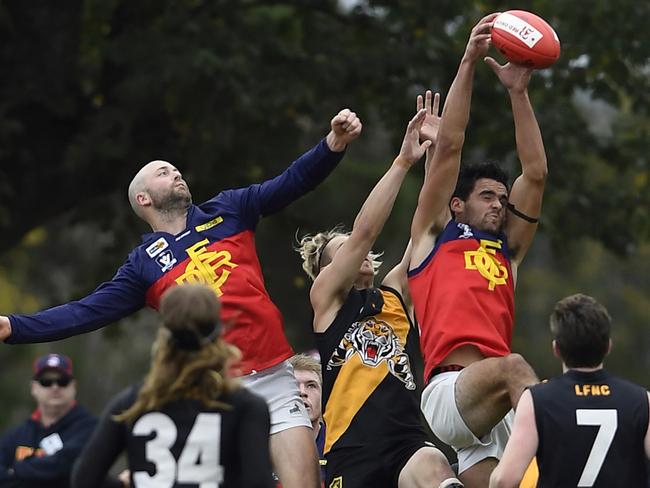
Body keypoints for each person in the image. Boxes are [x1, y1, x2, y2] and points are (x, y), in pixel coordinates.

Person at [0, 108, 361, 488]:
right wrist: (13, 326)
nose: (176, 173)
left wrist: (332, 145)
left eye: (175, 170)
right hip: (216, 390)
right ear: (143, 199)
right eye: (163, 172)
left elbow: (290, 182)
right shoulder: (143, 265)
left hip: (275, 376)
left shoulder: (230, 209)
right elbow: (84, 311)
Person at [407, 13, 548, 488]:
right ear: (456, 204)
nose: (498, 204)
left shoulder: (507, 252)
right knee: (517, 369)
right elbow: (449, 147)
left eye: (502, 199)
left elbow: (537, 173)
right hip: (451, 391)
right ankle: (571, 440)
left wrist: (518, 93)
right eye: (487, 196)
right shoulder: (433, 235)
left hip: (492, 403)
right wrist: (469, 61)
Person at [298, 105, 462, 488]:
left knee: (437, 468)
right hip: (352, 450)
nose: (359, 254)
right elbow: (365, 232)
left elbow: (432, 226)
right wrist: (403, 162)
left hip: (406, 440)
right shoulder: (326, 300)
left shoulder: (395, 295)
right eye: (343, 252)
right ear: (327, 270)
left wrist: (438, 155)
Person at [71, 284, 274, 488]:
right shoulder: (245, 406)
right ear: (220, 332)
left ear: (164, 335)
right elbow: (258, 482)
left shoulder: (134, 403)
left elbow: (84, 479)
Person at [489, 293, 650, 487]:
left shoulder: (536, 400)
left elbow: (504, 480)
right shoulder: (642, 400)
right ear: (608, 346)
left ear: (556, 349)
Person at [0, 353, 100, 488]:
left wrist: (15, 471)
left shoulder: (90, 428)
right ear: (34, 388)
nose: (55, 387)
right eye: (46, 381)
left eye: (62, 381)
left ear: (73, 386)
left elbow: (65, 464)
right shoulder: (18, 434)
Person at [288, 353, 326, 483]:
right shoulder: (264, 446)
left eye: (311, 385)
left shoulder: (339, 445)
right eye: (294, 385)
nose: (302, 392)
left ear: (323, 396)